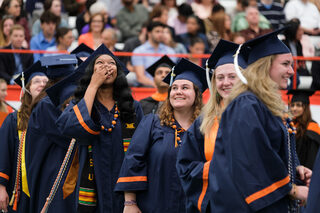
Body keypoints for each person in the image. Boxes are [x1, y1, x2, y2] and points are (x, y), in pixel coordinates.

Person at [207, 29, 311, 212]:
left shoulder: (261, 104)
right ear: (265, 65)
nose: (291, 71)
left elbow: (269, 152)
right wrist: (292, 189)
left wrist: (295, 170)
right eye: (285, 64)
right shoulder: (246, 105)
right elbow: (250, 160)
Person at [56, 44, 143, 212]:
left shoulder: (132, 107)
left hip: (124, 185)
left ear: (118, 71)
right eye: (100, 63)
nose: (106, 67)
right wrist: (93, 86)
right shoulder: (80, 105)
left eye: (111, 63)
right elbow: (69, 127)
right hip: (91, 182)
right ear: (91, 71)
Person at [114, 58, 207, 213]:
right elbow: (134, 159)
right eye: (174, 88)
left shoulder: (205, 129)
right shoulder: (152, 123)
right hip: (154, 203)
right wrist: (130, 203)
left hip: (193, 205)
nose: (178, 92)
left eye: (185, 87)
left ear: (196, 94)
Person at [176, 39, 248, 213]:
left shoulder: (259, 116)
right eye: (220, 78)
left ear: (245, 78)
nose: (225, 83)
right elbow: (186, 166)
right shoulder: (204, 122)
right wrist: (218, 167)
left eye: (232, 76)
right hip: (215, 202)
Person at [24, 54, 79, 213]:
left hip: (59, 170)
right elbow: (70, 135)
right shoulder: (47, 105)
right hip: (54, 173)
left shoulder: (48, 102)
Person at [0, 62, 48, 213]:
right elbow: (4, 155)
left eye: (45, 82)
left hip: (44, 188)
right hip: (18, 189)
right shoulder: (14, 119)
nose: (41, 84)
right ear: (27, 87)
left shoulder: (54, 120)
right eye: (36, 81)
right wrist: (1, 187)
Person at [131, 21, 175, 87]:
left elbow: (172, 74)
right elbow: (140, 77)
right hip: (146, 89)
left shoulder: (170, 51)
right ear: (149, 33)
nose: (160, 34)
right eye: (157, 31)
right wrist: (158, 86)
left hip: (167, 89)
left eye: (162, 32)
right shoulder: (139, 51)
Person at [288, 89, 320, 169]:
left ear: (305, 107)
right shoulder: (290, 125)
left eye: (298, 105)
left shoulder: (312, 129)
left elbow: (312, 159)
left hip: (303, 174)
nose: (294, 108)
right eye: (292, 105)